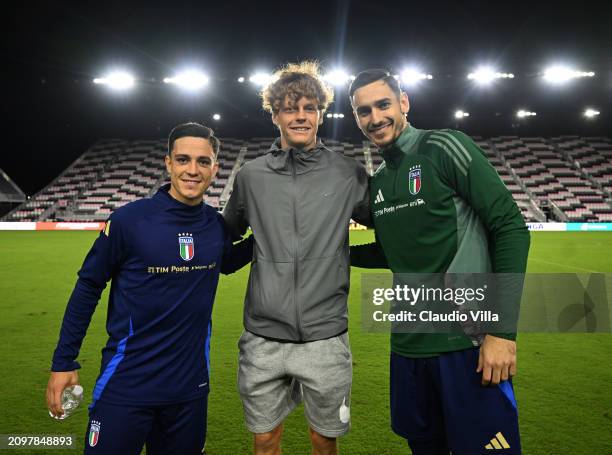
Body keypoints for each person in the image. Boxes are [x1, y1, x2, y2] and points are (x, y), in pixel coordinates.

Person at [348, 69, 530, 455]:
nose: (375, 118)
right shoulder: (379, 180)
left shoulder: (444, 146)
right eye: (364, 111)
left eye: (383, 104)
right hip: (408, 346)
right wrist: (330, 253)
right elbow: (393, 250)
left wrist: (502, 332)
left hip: (466, 343)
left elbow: (510, 227)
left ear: (404, 103)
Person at [46, 122, 253, 455]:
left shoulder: (215, 226)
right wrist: (63, 361)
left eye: (203, 161)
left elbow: (226, 261)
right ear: (168, 163)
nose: (192, 169)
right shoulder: (130, 221)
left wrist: (271, 236)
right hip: (126, 385)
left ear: (215, 168)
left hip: (190, 390)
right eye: (183, 159)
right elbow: (88, 286)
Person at [222, 61, 371, 455]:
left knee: (324, 440)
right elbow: (225, 238)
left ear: (322, 113)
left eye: (309, 107)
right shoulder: (251, 176)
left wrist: (343, 256)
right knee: (265, 439)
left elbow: (393, 228)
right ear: (275, 114)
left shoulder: (348, 174)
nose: (300, 116)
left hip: (326, 336)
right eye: (290, 107)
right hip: (262, 338)